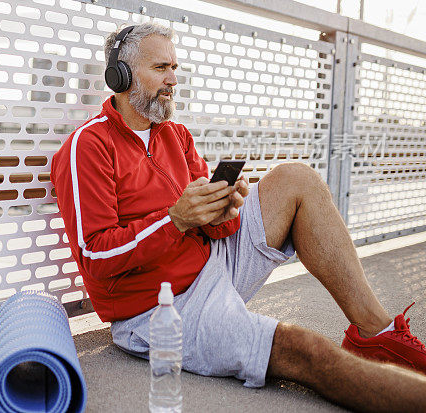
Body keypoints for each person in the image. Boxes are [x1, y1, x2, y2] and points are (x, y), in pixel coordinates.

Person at [50, 21, 426, 411]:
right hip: (161, 308)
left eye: (175, 68)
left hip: (210, 261)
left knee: (297, 178)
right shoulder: (87, 147)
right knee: (305, 348)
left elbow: (217, 226)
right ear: (121, 75)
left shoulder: (174, 135)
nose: (173, 79)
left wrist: (225, 208)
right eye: (161, 68)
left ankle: (376, 333)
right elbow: (95, 258)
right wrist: (175, 219)